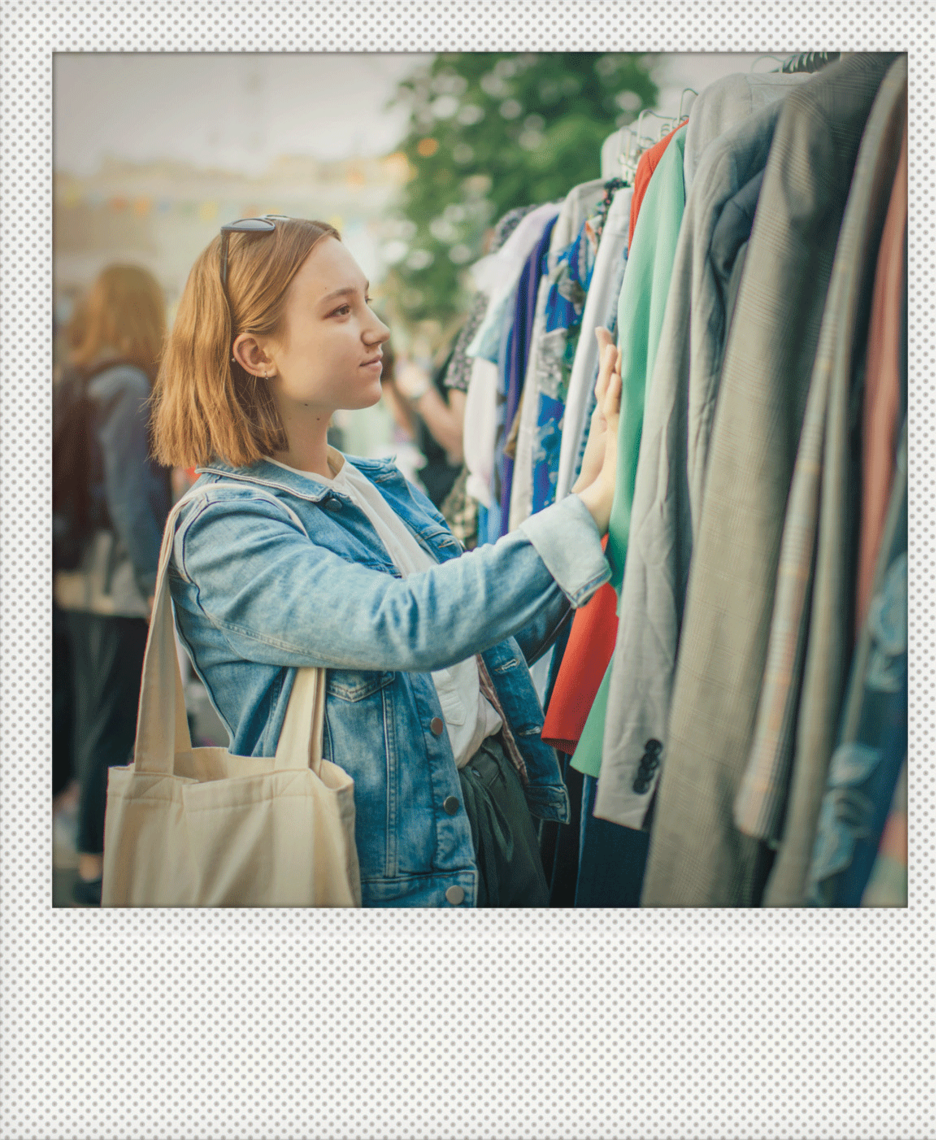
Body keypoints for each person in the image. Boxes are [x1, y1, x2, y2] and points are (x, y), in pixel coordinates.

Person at [149, 215, 621, 908]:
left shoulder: (377, 485)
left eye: (366, 300)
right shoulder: (225, 525)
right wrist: (587, 513)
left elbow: (489, 650)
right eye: (341, 311)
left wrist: (589, 488)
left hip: (492, 816)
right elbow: (405, 626)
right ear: (256, 355)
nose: (376, 328)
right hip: (389, 873)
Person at [53, 264, 172, 906]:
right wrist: (155, 582)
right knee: (111, 723)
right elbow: (131, 497)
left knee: (90, 715)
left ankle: (92, 854)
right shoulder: (127, 384)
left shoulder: (84, 378)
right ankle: (98, 867)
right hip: (115, 581)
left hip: (78, 576)